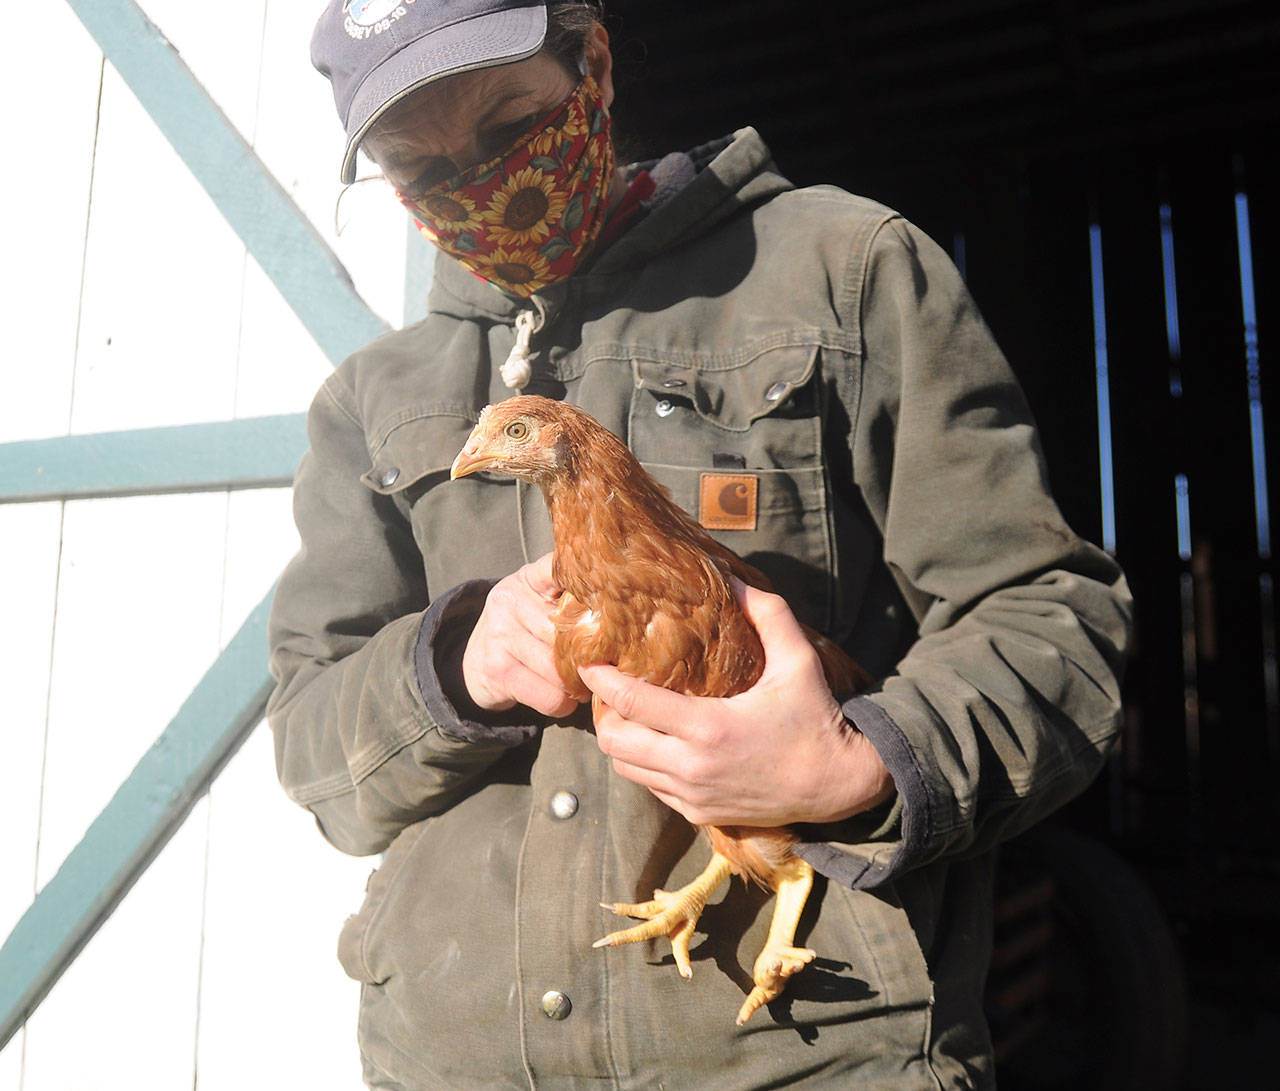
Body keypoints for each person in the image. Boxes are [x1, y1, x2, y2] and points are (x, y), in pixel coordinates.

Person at [268, 2, 1132, 1087]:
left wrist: (858, 760)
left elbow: (1050, 616)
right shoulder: (374, 400)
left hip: (798, 1055)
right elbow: (310, 745)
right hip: (451, 1058)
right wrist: (453, 665)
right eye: (420, 164)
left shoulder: (840, 272)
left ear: (592, 63)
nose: (480, 180)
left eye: (505, 125)